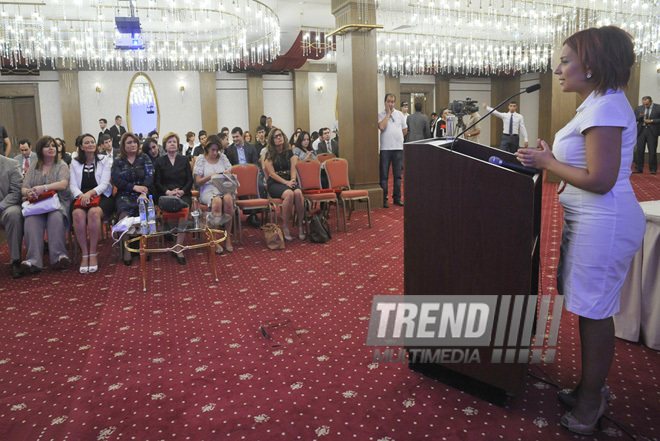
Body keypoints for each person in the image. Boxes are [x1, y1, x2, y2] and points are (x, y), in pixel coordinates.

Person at [515, 26, 644, 436]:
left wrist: (546, 163)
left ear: (590, 65)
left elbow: (602, 179)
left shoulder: (605, 107)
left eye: (565, 60)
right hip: (591, 219)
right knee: (588, 307)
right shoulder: (597, 102)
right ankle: (592, 386)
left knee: (594, 313)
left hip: (604, 222)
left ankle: (592, 400)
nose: (557, 68)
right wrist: (550, 157)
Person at [21, 136, 73, 274]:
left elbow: (63, 184)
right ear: (40, 150)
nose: (51, 148)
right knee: (31, 220)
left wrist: (43, 188)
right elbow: (24, 187)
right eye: (47, 146)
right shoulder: (34, 166)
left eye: (53, 146)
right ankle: (33, 261)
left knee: (55, 217)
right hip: (38, 204)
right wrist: (29, 192)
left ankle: (59, 257)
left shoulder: (61, 165)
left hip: (58, 203)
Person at [70, 134, 114, 274]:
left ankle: (93, 252)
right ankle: (85, 253)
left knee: (94, 212)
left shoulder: (103, 160)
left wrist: (90, 194)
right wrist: (81, 195)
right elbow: (72, 185)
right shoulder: (75, 162)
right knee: (77, 214)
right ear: (81, 147)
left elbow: (104, 183)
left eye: (92, 142)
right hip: (81, 196)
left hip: (101, 195)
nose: (90, 144)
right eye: (87, 142)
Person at [111, 132, 154, 266]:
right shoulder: (118, 161)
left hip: (143, 192)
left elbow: (150, 176)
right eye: (129, 142)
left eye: (135, 142)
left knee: (145, 211)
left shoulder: (144, 157)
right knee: (124, 215)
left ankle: (142, 247)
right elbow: (116, 179)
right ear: (123, 146)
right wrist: (134, 187)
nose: (133, 144)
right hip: (125, 193)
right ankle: (126, 250)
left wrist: (143, 191)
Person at [155, 132, 193, 265]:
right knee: (171, 208)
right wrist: (168, 192)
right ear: (165, 145)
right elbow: (157, 182)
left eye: (174, 142)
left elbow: (190, 180)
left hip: (183, 193)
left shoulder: (184, 159)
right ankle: (174, 237)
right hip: (167, 194)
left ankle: (178, 247)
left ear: (178, 145)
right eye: (169, 142)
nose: (172, 144)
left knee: (184, 209)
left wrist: (182, 191)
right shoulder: (160, 161)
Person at [193, 134, 234, 253]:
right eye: (213, 150)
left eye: (217, 150)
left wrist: (227, 173)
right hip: (207, 189)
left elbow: (230, 175)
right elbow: (198, 182)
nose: (215, 153)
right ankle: (214, 239)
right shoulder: (201, 159)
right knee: (216, 201)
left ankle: (227, 237)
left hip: (222, 187)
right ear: (207, 148)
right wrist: (211, 176)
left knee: (228, 199)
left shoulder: (223, 158)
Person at [264, 127, 305, 241]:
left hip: (288, 179)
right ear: (272, 140)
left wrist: (292, 180)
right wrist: (286, 182)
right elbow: (272, 174)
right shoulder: (269, 154)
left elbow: (293, 169)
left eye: (280, 135)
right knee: (289, 194)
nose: (279, 138)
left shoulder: (289, 152)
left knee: (297, 192)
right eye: (276, 136)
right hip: (275, 183)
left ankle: (300, 225)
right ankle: (285, 226)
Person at [225, 127, 260, 226]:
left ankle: (254, 213)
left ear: (242, 136)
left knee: (260, 186)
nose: (235, 139)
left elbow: (256, 162)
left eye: (237, 137)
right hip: (238, 177)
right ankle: (252, 214)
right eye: (233, 137)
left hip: (251, 175)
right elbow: (229, 166)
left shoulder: (251, 147)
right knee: (242, 187)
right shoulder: (230, 150)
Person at [378, 93, 407, 208]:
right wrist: (388, 114)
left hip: (398, 148)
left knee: (398, 175)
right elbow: (382, 127)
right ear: (385, 102)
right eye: (388, 101)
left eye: (392, 102)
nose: (390, 104)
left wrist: (398, 139)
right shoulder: (380, 114)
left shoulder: (400, 114)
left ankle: (397, 198)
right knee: (384, 176)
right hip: (385, 149)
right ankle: (384, 199)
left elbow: (404, 130)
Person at [0, 154, 24, 278]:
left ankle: (15, 260)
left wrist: (1, 206)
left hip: (6, 206)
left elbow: (16, 191)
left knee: (14, 215)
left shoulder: (11, 164)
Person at [633, 96, 660, 174]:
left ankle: (653, 169)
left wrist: (651, 121)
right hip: (641, 131)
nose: (645, 106)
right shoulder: (638, 108)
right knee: (639, 151)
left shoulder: (658, 108)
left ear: (651, 101)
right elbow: (634, 118)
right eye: (644, 104)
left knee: (652, 151)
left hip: (652, 131)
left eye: (647, 104)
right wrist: (639, 117)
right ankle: (638, 169)